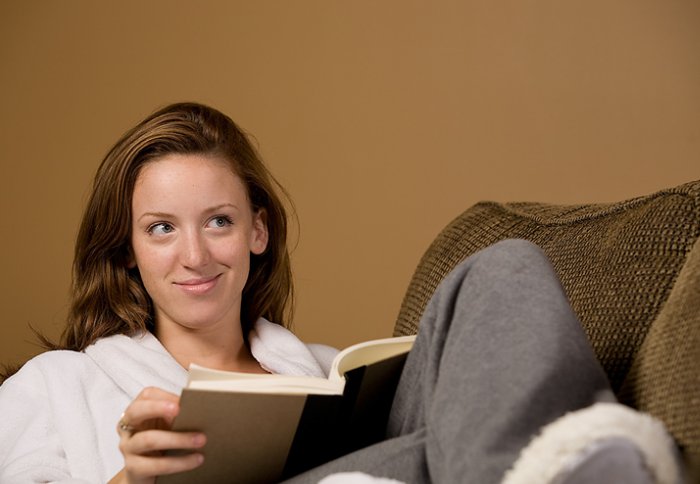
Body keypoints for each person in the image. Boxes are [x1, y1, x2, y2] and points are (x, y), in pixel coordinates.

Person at [0, 102, 658, 484]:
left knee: (503, 264)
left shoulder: (321, 371)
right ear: (127, 250)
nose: (195, 255)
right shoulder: (56, 385)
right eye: (162, 228)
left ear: (257, 231)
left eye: (219, 221)